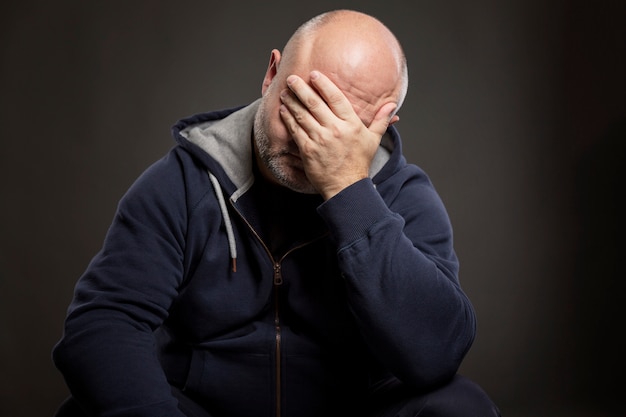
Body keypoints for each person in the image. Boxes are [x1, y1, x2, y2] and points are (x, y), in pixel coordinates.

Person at [52, 9, 501, 417]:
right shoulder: (181, 183)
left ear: (380, 126)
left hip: (353, 410)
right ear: (271, 74)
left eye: (341, 124)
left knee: (461, 407)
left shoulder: (403, 194)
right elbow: (103, 325)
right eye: (301, 105)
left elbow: (436, 355)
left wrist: (349, 191)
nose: (310, 140)